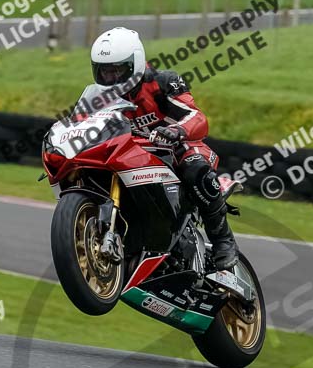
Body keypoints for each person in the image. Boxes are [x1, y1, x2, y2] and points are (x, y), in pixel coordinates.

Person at [89, 26, 238, 270]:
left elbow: (197, 117)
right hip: (134, 157)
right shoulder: (99, 98)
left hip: (179, 149)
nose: (111, 79)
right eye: (104, 72)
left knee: (196, 172)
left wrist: (176, 131)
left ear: (134, 64)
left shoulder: (163, 82)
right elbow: (83, 123)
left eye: (117, 71)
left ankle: (223, 240)